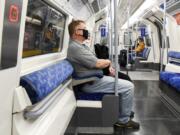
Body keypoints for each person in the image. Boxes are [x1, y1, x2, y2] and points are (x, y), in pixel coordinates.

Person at [67, 20, 140, 129]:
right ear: (77, 32)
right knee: (129, 87)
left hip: (94, 78)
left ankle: (124, 111)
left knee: (124, 81)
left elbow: (96, 61)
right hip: (89, 83)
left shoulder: (82, 46)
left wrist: (106, 66)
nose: (87, 31)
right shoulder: (75, 48)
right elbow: (98, 63)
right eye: (84, 29)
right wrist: (108, 62)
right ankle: (123, 121)